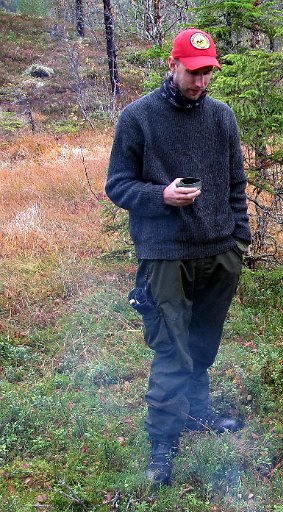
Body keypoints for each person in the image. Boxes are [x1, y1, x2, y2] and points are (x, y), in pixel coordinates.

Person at [105, 28, 251, 485]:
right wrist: (161, 196)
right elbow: (117, 185)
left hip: (219, 251)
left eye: (208, 73)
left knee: (203, 342)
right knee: (172, 349)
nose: (200, 82)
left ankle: (197, 411)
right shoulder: (138, 117)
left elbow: (236, 183)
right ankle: (162, 446)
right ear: (173, 65)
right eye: (193, 72)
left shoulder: (222, 117)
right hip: (165, 253)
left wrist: (239, 241)